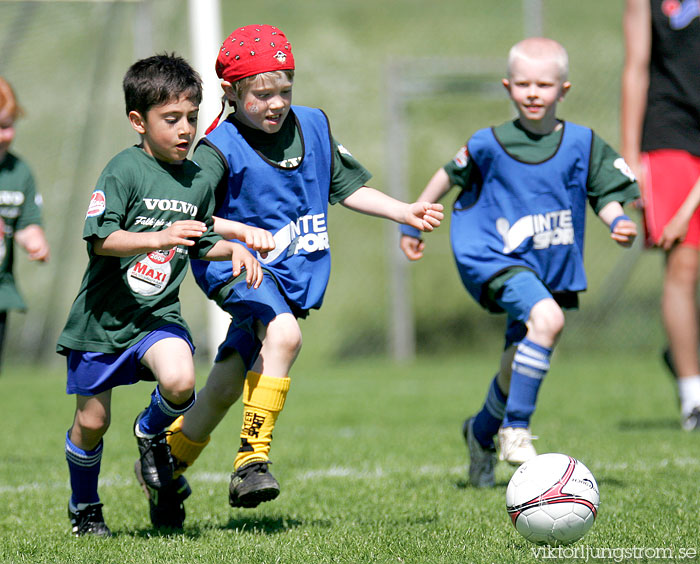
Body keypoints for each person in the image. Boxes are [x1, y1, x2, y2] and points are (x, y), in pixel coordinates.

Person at [154, 24, 443, 526]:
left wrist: (405, 211)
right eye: (261, 94)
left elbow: (345, 186)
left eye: (284, 90)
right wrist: (240, 232)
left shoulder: (313, 124)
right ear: (231, 92)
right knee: (285, 335)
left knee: (224, 384)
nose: (276, 104)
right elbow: (189, 215)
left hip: (291, 270)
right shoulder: (216, 148)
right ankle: (251, 462)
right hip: (232, 264)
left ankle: (164, 462)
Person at [400, 38, 639, 488]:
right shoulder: (488, 142)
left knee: (519, 356)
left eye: (544, 84)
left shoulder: (583, 143)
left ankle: (481, 431)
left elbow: (604, 190)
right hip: (495, 255)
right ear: (508, 87)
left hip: (549, 264)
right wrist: (413, 220)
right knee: (547, 321)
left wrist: (618, 220)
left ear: (563, 90)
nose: (533, 92)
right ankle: (516, 429)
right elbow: (448, 175)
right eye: (524, 83)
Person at [56, 53, 264, 537]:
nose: (185, 130)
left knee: (180, 380)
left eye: (191, 118)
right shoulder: (123, 170)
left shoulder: (195, 180)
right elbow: (99, 239)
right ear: (139, 121)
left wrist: (234, 249)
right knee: (91, 423)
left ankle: (151, 432)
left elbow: (199, 238)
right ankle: (84, 508)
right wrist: (156, 237)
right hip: (101, 321)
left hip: (156, 315)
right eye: (171, 120)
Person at [621, 0, 700, 431]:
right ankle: (694, 399)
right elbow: (636, 65)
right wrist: (631, 160)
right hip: (671, 131)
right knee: (684, 265)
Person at [0, 77, 50, 372]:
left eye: (7, 125)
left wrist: (35, 239)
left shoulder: (19, 172)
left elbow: (26, 221)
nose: (5, 135)